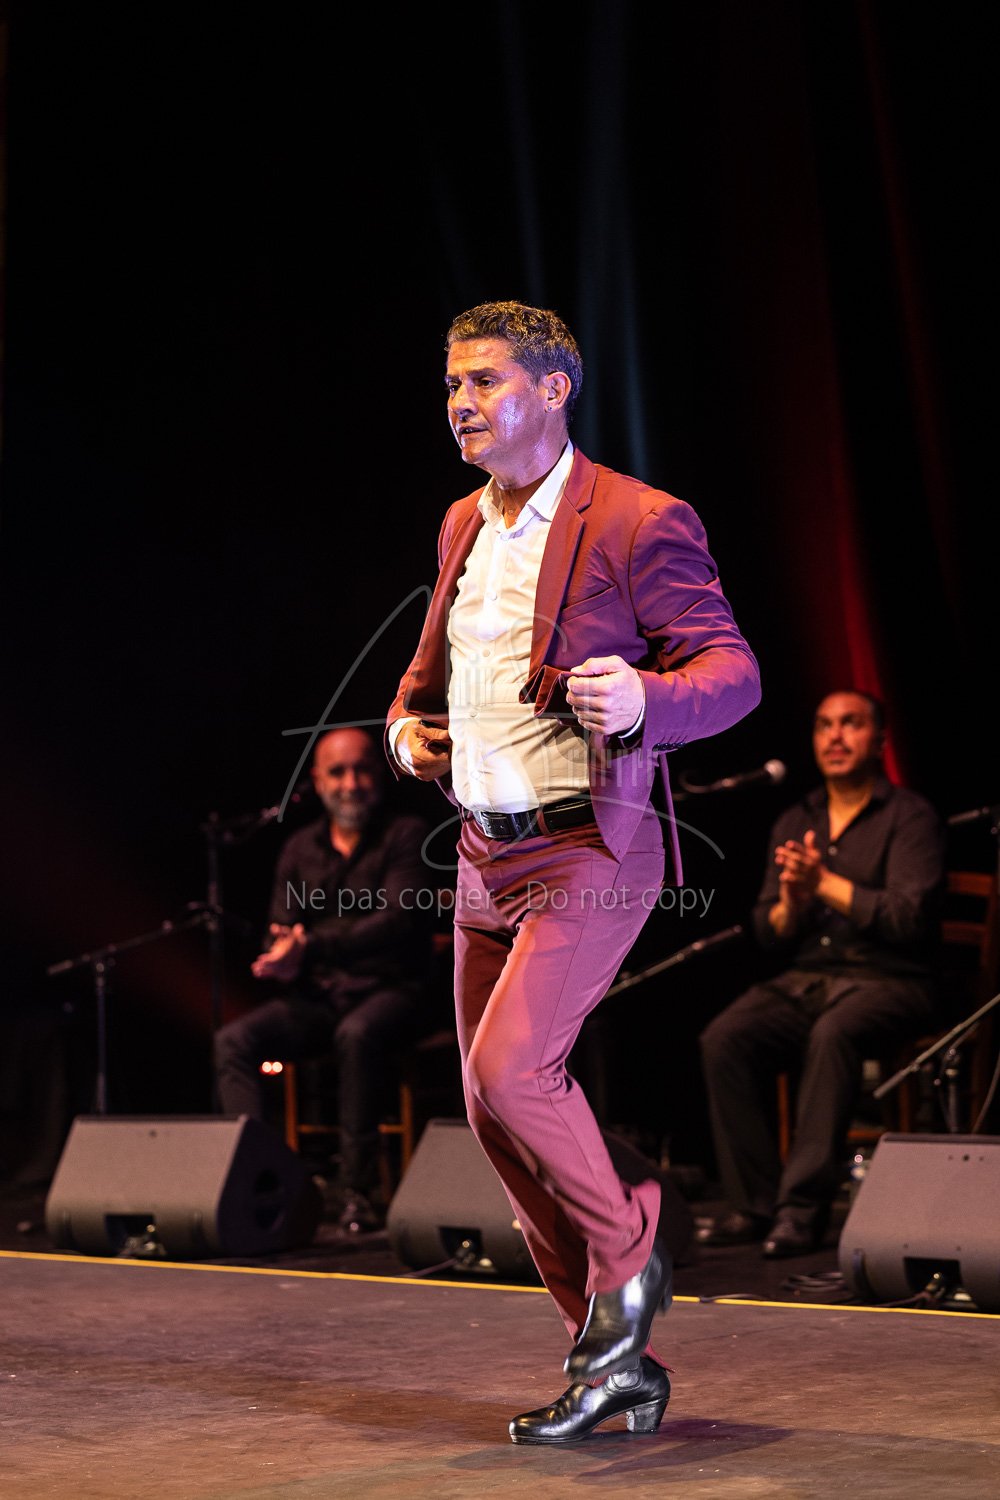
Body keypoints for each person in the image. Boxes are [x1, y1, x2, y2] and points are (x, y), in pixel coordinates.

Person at [386, 301, 759, 1443]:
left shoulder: (640, 518)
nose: (460, 402)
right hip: (483, 850)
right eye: (452, 384)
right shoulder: (462, 522)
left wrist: (648, 696)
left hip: (591, 843)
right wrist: (406, 733)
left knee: (513, 1071)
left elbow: (733, 674)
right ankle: (612, 1366)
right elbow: (425, 673)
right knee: (491, 1111)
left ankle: (633, 1247)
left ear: (554, 389)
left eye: (484, 381)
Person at [699, 690, 946, 1258]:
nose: (835, 736)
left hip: (893, 980)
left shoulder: (911, 817)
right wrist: (791, 902)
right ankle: (754, 1204)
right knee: (725, 1037)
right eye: (824, 726)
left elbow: (908, 919)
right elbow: (768, 929)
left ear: (879, 740)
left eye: (851, 724)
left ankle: (801, 1211)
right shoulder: (796, 818)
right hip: (810, 977)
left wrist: (825, 884)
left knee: (833, 1032)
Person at [214, 727, 432, 1233]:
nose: (351, 784)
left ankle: (356, 1190)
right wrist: (281, 954)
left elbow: (398, 920)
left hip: (393, 990)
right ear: (317, 780)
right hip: (321, 996)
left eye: (362, 770)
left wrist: (311, 945)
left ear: (381, 774)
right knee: (233, 1041)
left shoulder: (406, 834)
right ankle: (258, 1180)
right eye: (338, 772)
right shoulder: (299, 847)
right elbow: (281, 924)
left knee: (357, 1034)